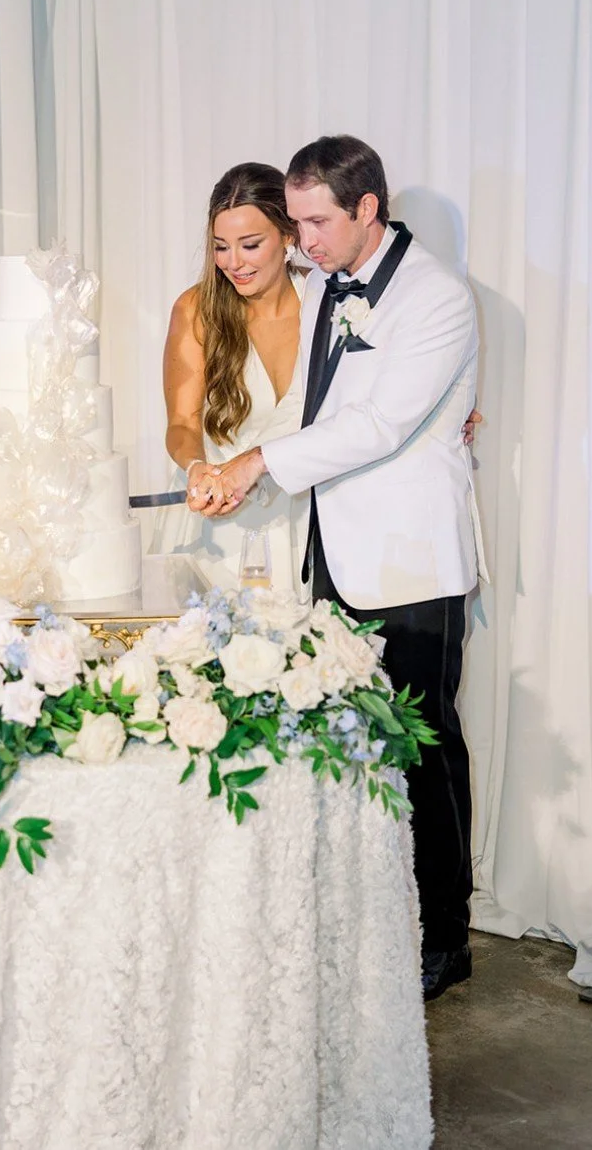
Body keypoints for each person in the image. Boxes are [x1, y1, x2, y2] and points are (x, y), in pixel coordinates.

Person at [205, 135, 486, 1002]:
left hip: (408, 561)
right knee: (348, 742)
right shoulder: (330, 281)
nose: (302, 241)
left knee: (423, 747)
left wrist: (254, 464)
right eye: (295, 223)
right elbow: (319, 400)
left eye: (316, 222)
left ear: (368, 208)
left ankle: (446, 935)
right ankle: (372, 918)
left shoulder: (436, 298)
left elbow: (379, 426)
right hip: (332, 550)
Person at [156, 163, 309, 593]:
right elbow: (182, 423)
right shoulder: (195, 310)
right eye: (221, 247)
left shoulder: (326, 304)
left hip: (304, 522)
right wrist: (197, 467)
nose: (233, 263)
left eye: (250, 244)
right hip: (219, 530)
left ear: (288, 235)